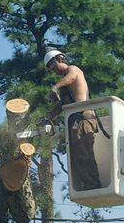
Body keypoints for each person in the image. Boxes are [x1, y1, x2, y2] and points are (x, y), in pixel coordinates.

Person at [44, 49, 102, 191]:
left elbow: (71, 77)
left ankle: (93, 186)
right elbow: (62, 106)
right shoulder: (65, 87)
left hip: (84, 118)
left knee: (84, 154)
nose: (53, 70)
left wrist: (56, 87)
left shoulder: (73, 70)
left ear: (60, 59)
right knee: (77, 157)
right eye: (50, 68)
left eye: (52, 65)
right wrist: (48, 117)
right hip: (76, 120)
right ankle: (87, 185)